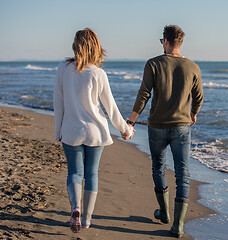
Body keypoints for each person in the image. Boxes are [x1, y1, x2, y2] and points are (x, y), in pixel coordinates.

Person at [126, 25, 203, 238]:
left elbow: (144, 94)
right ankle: (177, 225)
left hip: (157, 126)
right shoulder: (192, 67)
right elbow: (199, 97)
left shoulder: (153, 63)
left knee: (159, 167)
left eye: (162, 40)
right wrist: (193, 114)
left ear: (166, 42)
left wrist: (131, 121)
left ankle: (164, 213)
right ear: (181, 43)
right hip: (181, 127)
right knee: (182, 172)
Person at [53, 28, 134, 233]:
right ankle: (87, 219)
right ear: (96, 47)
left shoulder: (63, 68)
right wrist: (126, 129)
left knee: (74, 172)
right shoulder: (99, 73)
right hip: (95, 132)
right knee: (91, 173)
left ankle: (75, 208)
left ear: (75, 46)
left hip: (71, 130)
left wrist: (57, 131)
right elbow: (111, 108)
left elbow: (58, 103)